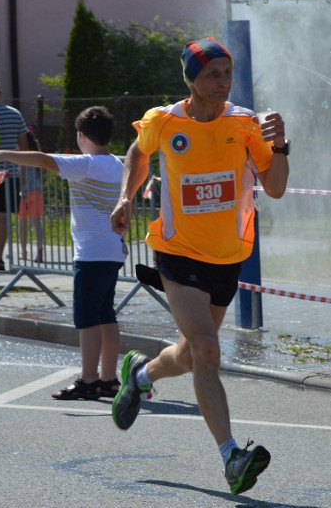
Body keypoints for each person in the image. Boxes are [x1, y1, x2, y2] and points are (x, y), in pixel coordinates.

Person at [109, 37, 289, 496]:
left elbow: (276, 187)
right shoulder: (164, 120)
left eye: (227, 73)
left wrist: (282, 145)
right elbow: (139, 152)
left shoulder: (247, 124)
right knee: (208, 351)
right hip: (179, 252)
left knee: (192, 354)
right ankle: (231, 456)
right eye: (213, 74)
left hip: (228, 256)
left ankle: (141, 374)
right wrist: (126, 198)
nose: (223, 82)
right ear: (191, 80)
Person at [0, 106, 126, 399]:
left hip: (90, 254)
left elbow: (42, 159)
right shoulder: (117, 165)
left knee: (86, 318)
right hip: (113, 250)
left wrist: (2, 154)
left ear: (81, 136)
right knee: (106, 315)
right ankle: (110, 379)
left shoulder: (84, 164)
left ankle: (89, 380)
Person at [0, 76, 29, 272]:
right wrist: (24, 176)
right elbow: (24, 147)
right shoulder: (14, 114)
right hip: (9, 173)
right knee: (1, 218)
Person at [18, 130, 45, 262]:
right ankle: (40, 252)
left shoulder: (20, 156)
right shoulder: (36, 155)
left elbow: (21, 176)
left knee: (22, 223)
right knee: (36, 223)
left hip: (24, 192)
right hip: (37, 191)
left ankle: (24, 252)